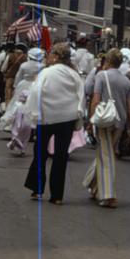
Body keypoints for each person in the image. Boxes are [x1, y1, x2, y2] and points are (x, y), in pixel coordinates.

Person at [24, 42, 84, 204]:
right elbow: (81, 96)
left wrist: (33, 115)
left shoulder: (46, 73)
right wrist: (79, 118)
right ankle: (57, 195)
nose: (48, 57)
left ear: (56, 57)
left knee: (40, 154)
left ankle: (37, 189)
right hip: (67, 118)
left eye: (50, 54)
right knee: (60, 156)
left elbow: (36, 92)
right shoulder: (74, 74)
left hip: (46, 117)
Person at [82, 48, 130, 208]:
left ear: (107, 60)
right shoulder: (126, 81)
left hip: (104, 120)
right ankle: (93, 185)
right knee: (106, 153)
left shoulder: (102, 75)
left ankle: (108, 194)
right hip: (119, 121)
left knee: (106, 156)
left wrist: (91, 120)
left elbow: (95, 99)